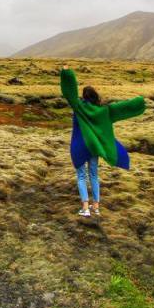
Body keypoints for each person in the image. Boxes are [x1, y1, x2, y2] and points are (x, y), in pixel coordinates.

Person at [60, 65, 146, 217]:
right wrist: (139, 101)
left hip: (80, 146)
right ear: (95, 96)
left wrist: (67, 72)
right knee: (93, 174)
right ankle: (96, 207)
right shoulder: (104, 110)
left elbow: (70, 92)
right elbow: (122, 108)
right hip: (95, 147)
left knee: (81, 176)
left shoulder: (78, 106)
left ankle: (85, 208)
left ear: (84, 97)